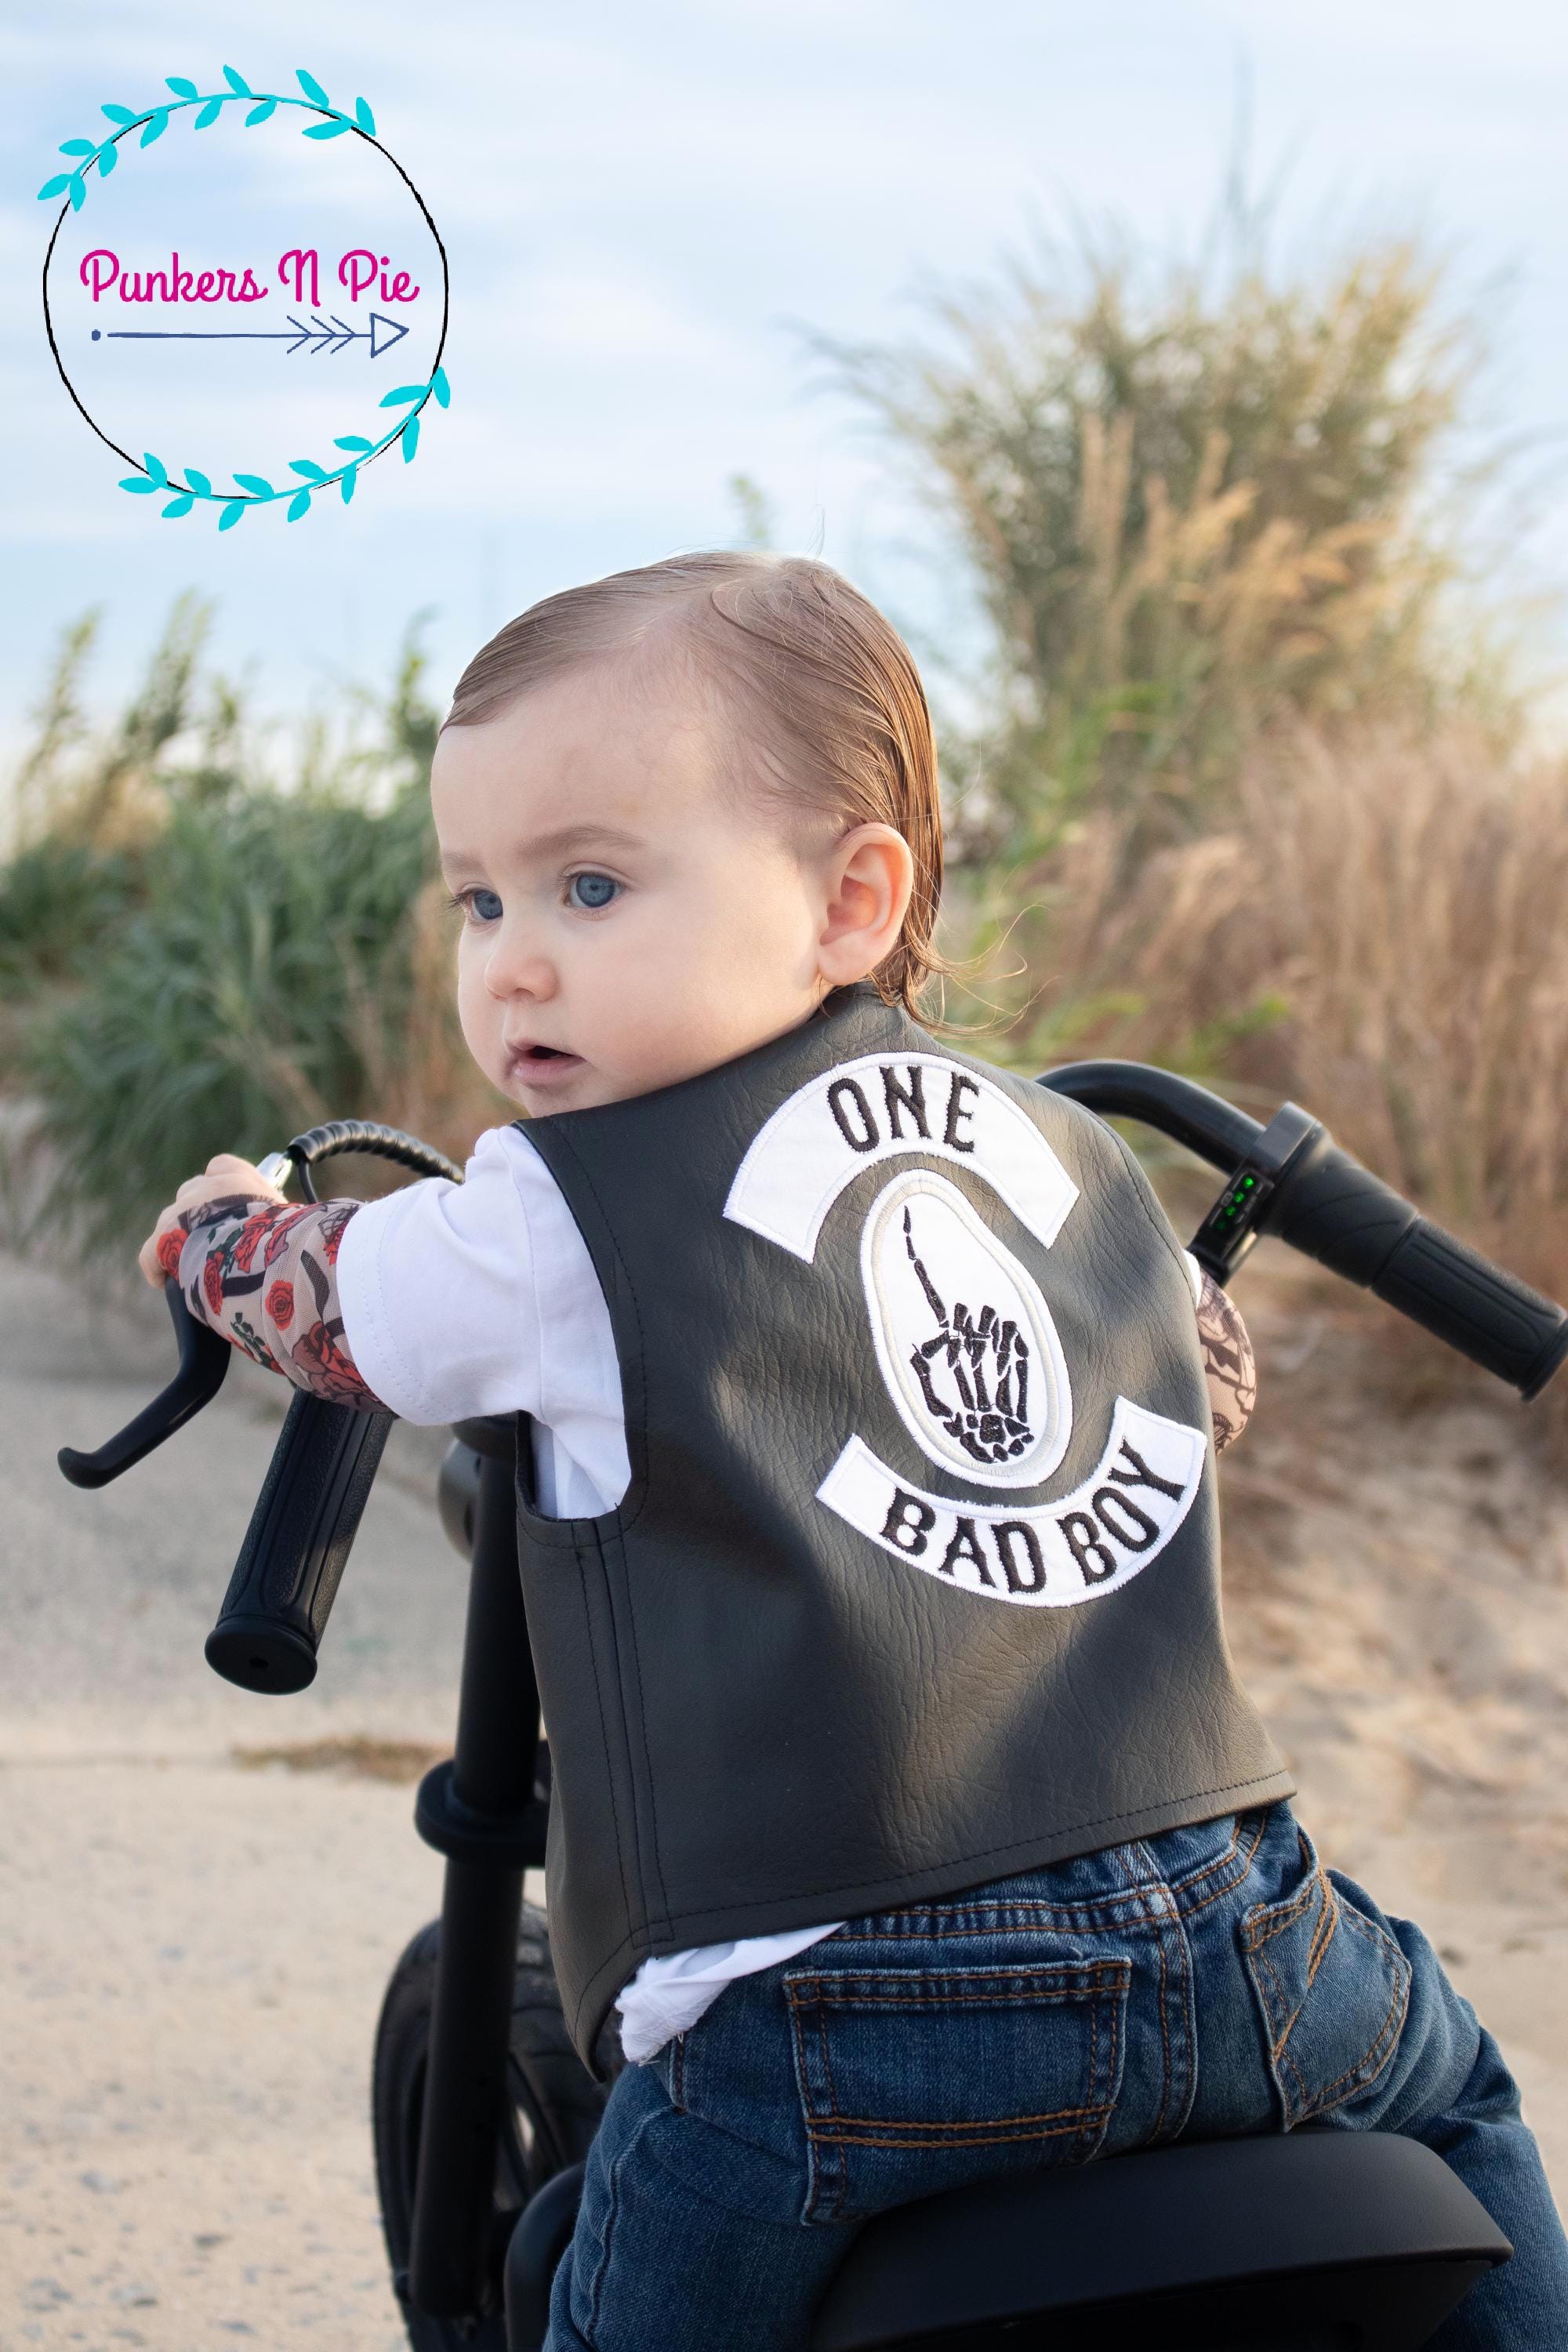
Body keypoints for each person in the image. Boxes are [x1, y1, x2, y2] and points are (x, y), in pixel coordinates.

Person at [140, 553, 1566, 2350]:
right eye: (477, 903)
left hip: (836, 2033)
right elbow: (1193, 1395)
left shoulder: (559, 1211)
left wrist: (217, 1231)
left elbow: (339, 1308)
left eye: (589, 883)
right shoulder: (1072, 1152)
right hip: (1243, 1941)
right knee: (1458, 2105)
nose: (517, 962)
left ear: (849, 899)